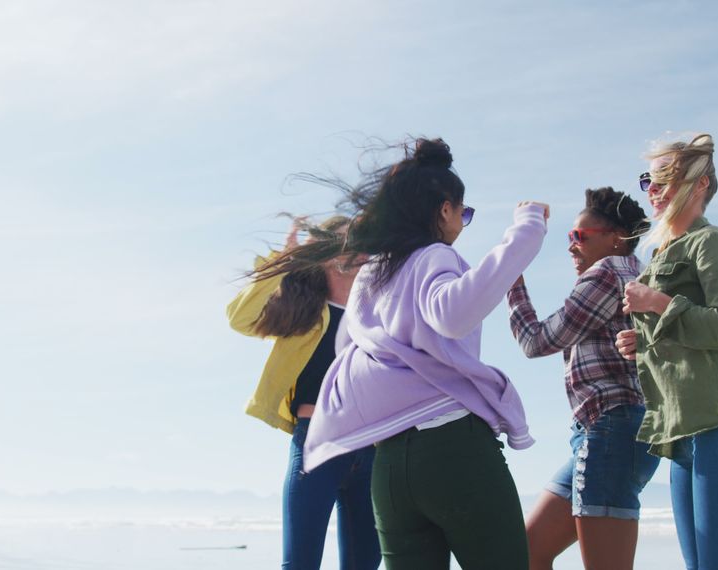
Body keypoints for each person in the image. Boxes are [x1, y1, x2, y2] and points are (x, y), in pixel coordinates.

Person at [299, 138, 549, 569]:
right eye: (463, 213)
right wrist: (527, 229)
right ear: (444, 210)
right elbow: (452, 315)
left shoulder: (371, 273)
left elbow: (348, 350)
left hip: (390, 466)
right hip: (453, 449)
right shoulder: (435, 255)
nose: (462, 224)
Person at [616, 133, 718, 570]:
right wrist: (641, 342)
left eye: (665, 178)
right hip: (681, 430)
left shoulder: (713, 242)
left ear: (699, 184)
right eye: (648, 178)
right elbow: (685, 336)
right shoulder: (664, 252)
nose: (652, 189)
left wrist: (657, 304)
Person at [506, 187, 658, 570]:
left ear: (616, 239)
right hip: (601, 433)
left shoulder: (609, 272)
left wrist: (511, 279)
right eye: (569, 237)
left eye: (579, 237)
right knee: (527, 552)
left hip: (612, 429)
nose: (571, 246)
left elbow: (538, 341)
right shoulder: (631, 273)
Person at [226, 216, 380, 570]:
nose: (357, 251)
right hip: (316, 444)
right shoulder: (303, 311)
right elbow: (240, 317)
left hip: (371, 450)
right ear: (325, 255)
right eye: (344, 242)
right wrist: (283, 263)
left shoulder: (377, 315)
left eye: (360, 243)